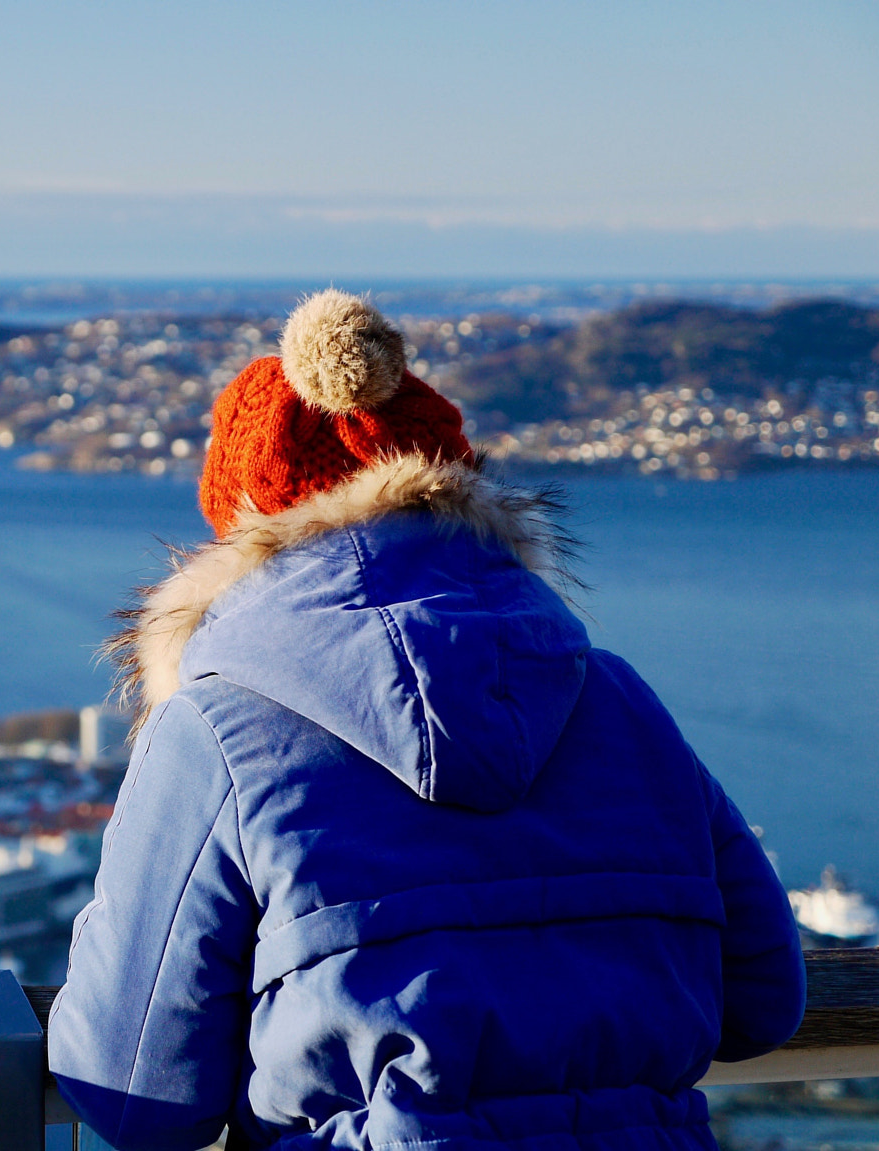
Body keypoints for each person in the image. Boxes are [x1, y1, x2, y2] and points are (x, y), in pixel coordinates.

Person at [49, 289, 805, 1151]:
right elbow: (764, 1000)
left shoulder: (218, 730)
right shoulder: (617, 698)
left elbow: (133, 1095)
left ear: (241, 529)